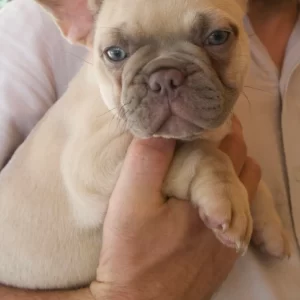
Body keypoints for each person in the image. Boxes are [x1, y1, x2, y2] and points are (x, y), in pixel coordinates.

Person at [0, 0, 299, 299]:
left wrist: (252, 197)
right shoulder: (29, 37)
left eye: (216, 39)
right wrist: (127, 294)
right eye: (117, 54)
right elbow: (92, 182)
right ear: (78, 23)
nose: (166, 82)